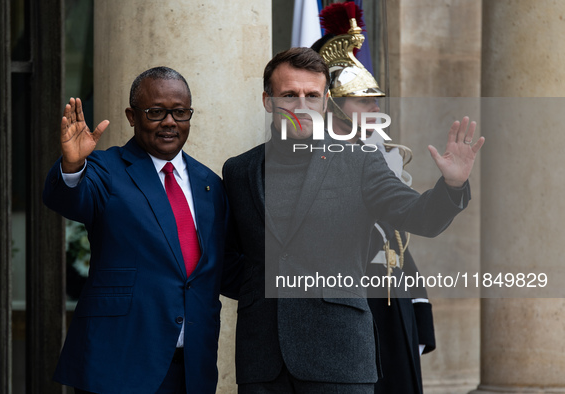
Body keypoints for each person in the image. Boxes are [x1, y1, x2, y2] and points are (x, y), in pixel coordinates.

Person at [222, 46, 483, 393]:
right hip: (262, 361)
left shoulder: (361, 161)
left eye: (311, 95)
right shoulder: (239, 170)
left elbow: (419, 217)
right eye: (289, 95)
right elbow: (227, 259)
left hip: (340, 355)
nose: (301, 105)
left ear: (325, 101)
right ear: (268, 101)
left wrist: (452, 185)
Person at [43, 66, 240, 394]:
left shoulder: (211, 185)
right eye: (156, 112)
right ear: (132, 116)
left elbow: (224, 269)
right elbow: (70, 199)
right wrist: (74, 166)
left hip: (192, 368)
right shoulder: (107, 168)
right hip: (120, 363)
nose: (169, 122)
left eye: (180, 112)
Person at [313, 3, 436, 392]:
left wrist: (418, 308)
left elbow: (401, 236)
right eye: (364, 100)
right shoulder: (313, 158)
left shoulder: (383, 154)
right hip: (345, 305)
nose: (376, 108)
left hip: (392, 298)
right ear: (333, 103)